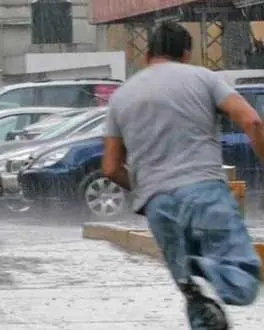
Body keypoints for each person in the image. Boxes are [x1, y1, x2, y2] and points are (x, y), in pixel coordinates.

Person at [102, 22, 261, 330]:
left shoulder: (121, 97)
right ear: (186, 52)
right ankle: (202, 266)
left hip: (157, 204)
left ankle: (190, 275)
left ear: (148, 54)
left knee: (196, 302)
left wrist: (147, 188)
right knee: (242, 282)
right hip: (204, 192)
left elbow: (109, 167)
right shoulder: (204, 78)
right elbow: (252, 122)